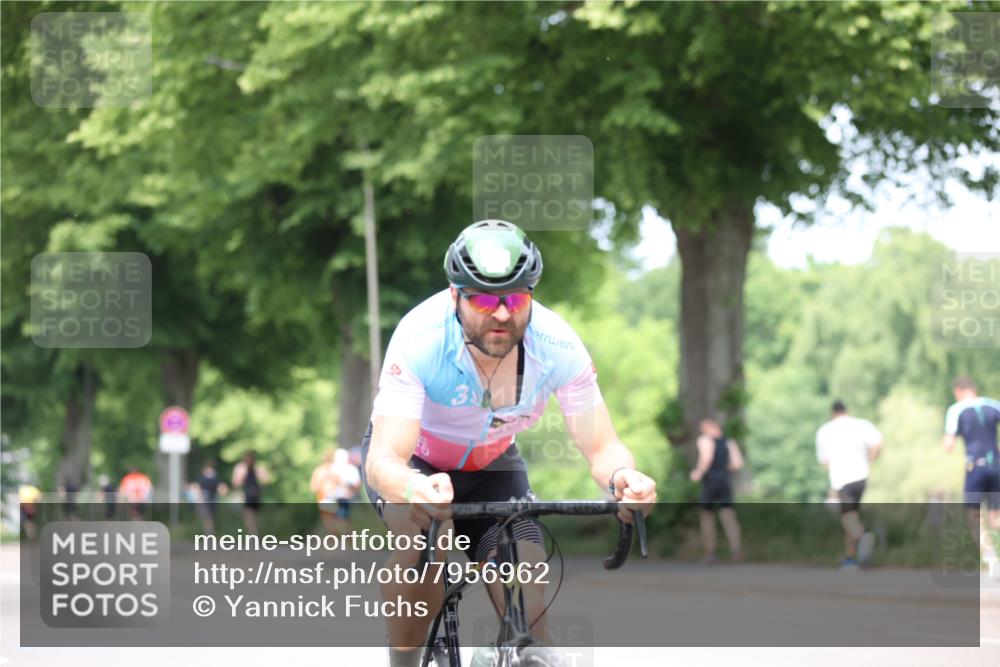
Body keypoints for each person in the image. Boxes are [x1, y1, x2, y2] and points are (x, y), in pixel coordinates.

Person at [362, 220, 657, 667]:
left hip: (495, 468)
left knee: (528, 599)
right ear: (454, 294)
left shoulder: (557, 345)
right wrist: (411, 489)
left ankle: (519, 652)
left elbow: (602, 448)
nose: (501, 314)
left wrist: (624, 479)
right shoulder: (419, 338)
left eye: (516, 299)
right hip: (416, 467)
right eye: (483, 299)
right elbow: (383, 460)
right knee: (422, 548)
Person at [816, 400, 881, 569]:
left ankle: (862, 537)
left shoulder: (825, 430)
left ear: (832, 413)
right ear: (846, 410)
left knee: (847, 517)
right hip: (862, 476)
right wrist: (869, 463)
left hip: (842, 479)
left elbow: (824, 462)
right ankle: (851, 557)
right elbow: (877, 443)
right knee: (853, 515)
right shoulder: (861, 425)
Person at [942, 377, 1000, 564]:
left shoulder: (956, 410)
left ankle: (992, 560)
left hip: (975, 467)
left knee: (974, 517)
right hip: (996, 465)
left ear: (958, 391)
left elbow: (948, 444)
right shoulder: (994, 405)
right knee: (996, 518)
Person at [689, 418, 744, 563]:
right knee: (728, 515)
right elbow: (737, 463)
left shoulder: (705, 440)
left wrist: (698, 473)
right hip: (724, 481)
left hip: (711, 481)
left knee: (707, 516)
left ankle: (710, 552)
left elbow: (706, 457)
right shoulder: (729, 441)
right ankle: (736, 551)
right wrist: (723, 470)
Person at [311, 449, 361, 536]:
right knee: (331, 521)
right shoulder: (320, 471)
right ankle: (339, 539)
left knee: (340, 520)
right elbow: (314, 486)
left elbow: (339, 483)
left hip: (335, 498)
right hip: (325, 498)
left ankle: (345, 539)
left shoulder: (333, 470)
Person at [232, 450, 270, 535]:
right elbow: (266, 480)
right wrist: (259, 489)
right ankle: (255, 534)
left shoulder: (243, 468)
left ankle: (253, 534)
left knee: (249, 516)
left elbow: (236, 482)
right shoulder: (257, 468)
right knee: (254, 516)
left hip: (249, 495)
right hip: (254, 494)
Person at [197, 460, 227, 534]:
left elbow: (220, 487)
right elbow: (199, 488)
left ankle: (209, 532)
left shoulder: (214, 477)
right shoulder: (203, 477)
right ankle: (209, 533)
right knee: (207, 516)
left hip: (213, 498)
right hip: (205, 498)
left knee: (210, 517)